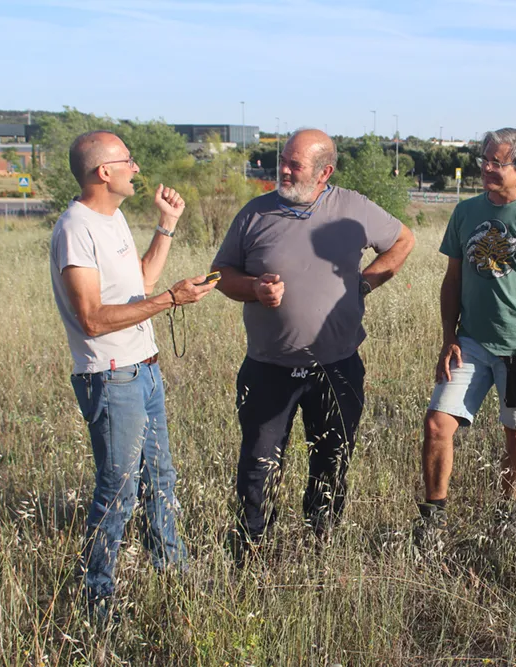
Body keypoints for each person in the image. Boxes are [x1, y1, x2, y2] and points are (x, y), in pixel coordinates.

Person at [212, 128, 415, 555]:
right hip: (269, 367)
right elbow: (222, 276)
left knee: (332, 461)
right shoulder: (254, 213)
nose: (282, 170)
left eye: (294, 164)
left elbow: (403, 240)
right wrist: (253, 288)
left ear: (325, 172)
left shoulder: (353, 208)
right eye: (282, 160)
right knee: (258, 466)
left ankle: (319, 545)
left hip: (337, 366)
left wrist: (364, 284)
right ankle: (250, 552)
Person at [49, 130, 216, 621]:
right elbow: (93, 319)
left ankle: (175, 576)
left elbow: (140, 283)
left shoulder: (114, 218)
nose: (136, 168)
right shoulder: (75, 229)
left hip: (144, 368)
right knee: (119, 488)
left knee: (161, 478)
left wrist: (166, 226)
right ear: (104, 172)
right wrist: (171, 300)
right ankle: (96, 601)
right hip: (111, 376)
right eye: (128, 161)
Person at [413, 127, 516, 553]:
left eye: (497, 162)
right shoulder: (465, 213)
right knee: (436, 424)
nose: (486, 167)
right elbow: (452, 279)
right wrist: (448, 337)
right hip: (471, 343)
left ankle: (508, 516)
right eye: (484, 158)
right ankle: (433, 521)